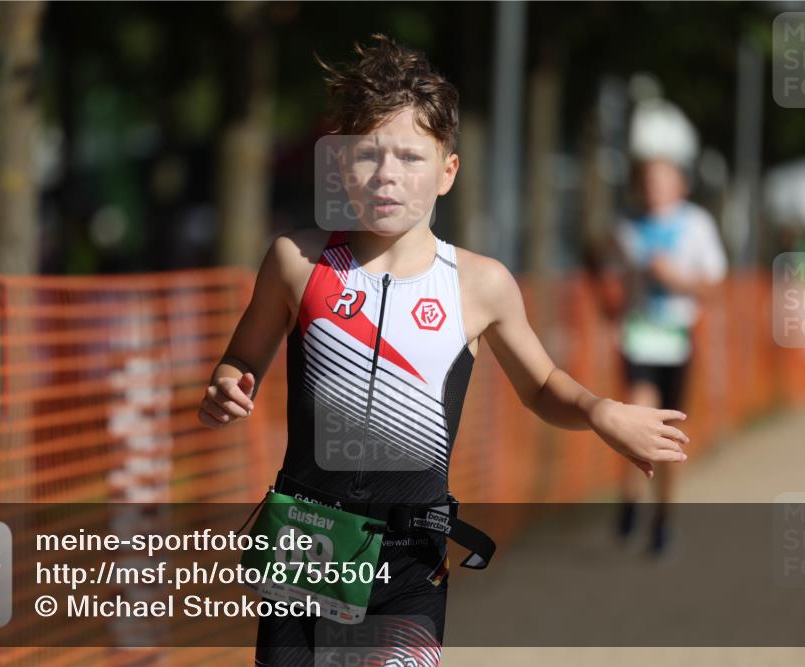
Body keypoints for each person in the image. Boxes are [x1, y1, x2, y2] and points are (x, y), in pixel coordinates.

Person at [198, 34, 690, 666]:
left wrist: (599, 411)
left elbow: (541, 386)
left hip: (412, 557)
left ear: (448, 171)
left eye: (410, 157)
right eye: (367, 156)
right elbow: (241, 360)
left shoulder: (480, 284)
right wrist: (226, 382)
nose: (388, 175)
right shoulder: (297, 261)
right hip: (305, 545)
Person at [610, 101, 728, 555]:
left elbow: (715, 287)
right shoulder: (627, 228)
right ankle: (630, 498)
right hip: (638, 339)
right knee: (639, 418)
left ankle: (662, 516)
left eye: (663, 180)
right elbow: (607, 276)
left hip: (678, 342)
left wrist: (674, 278)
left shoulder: (696, 225)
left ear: (679, 183)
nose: (655, 188)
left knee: (670, 438)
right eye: (648, 181)